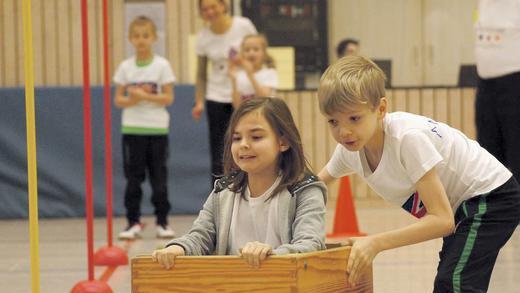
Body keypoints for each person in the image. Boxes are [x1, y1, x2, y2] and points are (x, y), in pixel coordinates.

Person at [317, 55, 520, 292]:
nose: (344, 132)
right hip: (462, 208)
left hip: (491, 197)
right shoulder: (348, 151)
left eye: (354, 118)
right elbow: (313, 187)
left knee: (453, 284)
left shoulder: (407, 140)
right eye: (333, 122)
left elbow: (443, 220)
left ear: (381, 109)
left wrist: (375, 243)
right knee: (451, 282)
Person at [152, 97, 327, 268]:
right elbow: (200, 236)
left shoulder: (306, 190)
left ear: (283, 142)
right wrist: (178, 247)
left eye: (256, 137)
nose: (243, 145)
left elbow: (310, 245)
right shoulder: (223, 191)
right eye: (236, 138)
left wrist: (272, 254)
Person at [113, 16, 176, 240]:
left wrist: (144, 95)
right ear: (130, 39)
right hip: (133, 129)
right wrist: (133, 100)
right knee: (133, 179)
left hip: (157, 130)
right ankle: (133, 222)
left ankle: (162, 221)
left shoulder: (162, 66)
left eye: (146, 35)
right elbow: (118, 100)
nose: (141, 40)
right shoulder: (125, 67)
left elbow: (169, 97)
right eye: (137, 36)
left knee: (159, 178)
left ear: (154, 38)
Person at [191, 0, 257, 185]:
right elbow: (201, 74)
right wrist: (199, 101)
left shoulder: (243, 26)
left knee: (247, 143)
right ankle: (220, 194)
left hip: (243, 95)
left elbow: (258, 55)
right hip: (216, 96)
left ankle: (250, 187)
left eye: (213, 6)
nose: (210, 11)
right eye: (205, 9)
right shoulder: (203, 36)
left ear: (223, 5)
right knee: (220, 149)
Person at [475, 0, 520, 181]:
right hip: (485, 84)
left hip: (514, 82)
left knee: (516, 151)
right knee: (487, 156)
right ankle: (494, 207)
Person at [229, 34, 278, 109]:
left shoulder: (269, 73)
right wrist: (234, 81)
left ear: (264, 53)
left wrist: (250, 75)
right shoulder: (239, 75)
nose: (251, 53)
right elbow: (237, 106)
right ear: (242, 54)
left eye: (256, 49)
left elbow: (264, 99)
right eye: (247, 50)